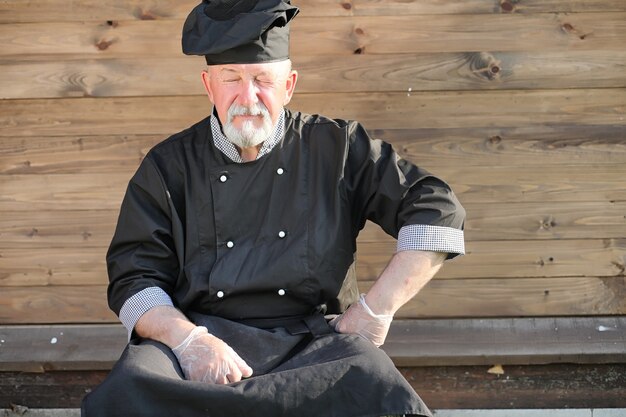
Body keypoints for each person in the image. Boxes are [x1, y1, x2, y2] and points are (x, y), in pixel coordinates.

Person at [82, 1, 465, 416]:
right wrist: (187, 342)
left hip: (316, 344)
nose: (248, 97)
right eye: (232, 79)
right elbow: (133, 279)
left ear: (289, 85)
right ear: (209, 85)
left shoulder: (336, 148)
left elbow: (436, 209)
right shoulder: (168, 166)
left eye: (263, 79)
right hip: (198, 340)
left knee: (374, 384)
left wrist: (376, 310)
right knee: (129, 388)